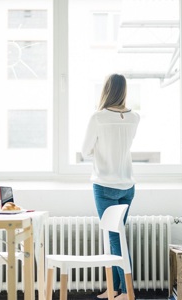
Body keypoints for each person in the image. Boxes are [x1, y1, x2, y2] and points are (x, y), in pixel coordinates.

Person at [81, 74, 140, 300]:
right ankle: (114, 288)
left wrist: (100, 146)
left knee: (114, 238)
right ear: (123, 91)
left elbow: (86, 150)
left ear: (106, 90)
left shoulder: (98, 118)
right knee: (117, 237)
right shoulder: (134, 117)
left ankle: (125, 291)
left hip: (105, 185)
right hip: (127, 186)